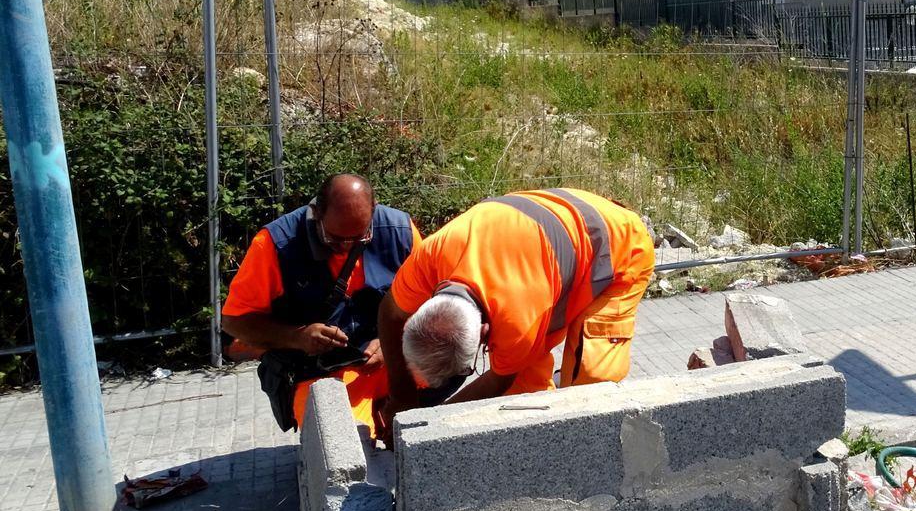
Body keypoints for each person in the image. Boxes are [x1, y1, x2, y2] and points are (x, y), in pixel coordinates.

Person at [373, 188, 655, 439]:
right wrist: (402, 396)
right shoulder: (429, 259)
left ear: (485, 331)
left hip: (619, 244)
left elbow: (498, 381)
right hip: (548, 227)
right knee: (523, 394)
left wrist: (429, 427)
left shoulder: (517, 322)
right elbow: (390, 313)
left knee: (589, 386)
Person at [221, 173, 420, 435]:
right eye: (335, 240)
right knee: (344, 438)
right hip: (318, 374)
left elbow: (430, 301)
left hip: (389, 359)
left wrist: (389, 342)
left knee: (442, 371)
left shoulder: (401, 230)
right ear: (316, 213)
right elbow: (234, 322)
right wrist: (297, 336)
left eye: (360, 239)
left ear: (374, 210)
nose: (346, 248)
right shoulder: (275, 243)